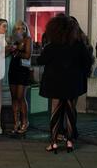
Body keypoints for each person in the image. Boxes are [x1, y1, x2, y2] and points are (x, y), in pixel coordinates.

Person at [38, 15, 92, 153]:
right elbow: (87, 62)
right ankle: (69, 141)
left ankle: (54, 142)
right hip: (73, 82)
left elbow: (41, 60)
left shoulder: (52, 46)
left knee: (55, 111)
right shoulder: (79, 45)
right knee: (70, 111)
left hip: (55, 82)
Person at [8, 20, 32, 135]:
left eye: (23, 28)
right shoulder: (13, 40)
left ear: (26, 29)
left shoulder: (28, 40)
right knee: (14, 97)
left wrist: (16, 51)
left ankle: (25, 121)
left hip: (23, 70)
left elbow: (28, 55)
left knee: (21, 96)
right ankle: (16, 122)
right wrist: (9, 48)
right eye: (18, 28)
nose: (21, 30)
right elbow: (7, 53)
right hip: (13, 69)